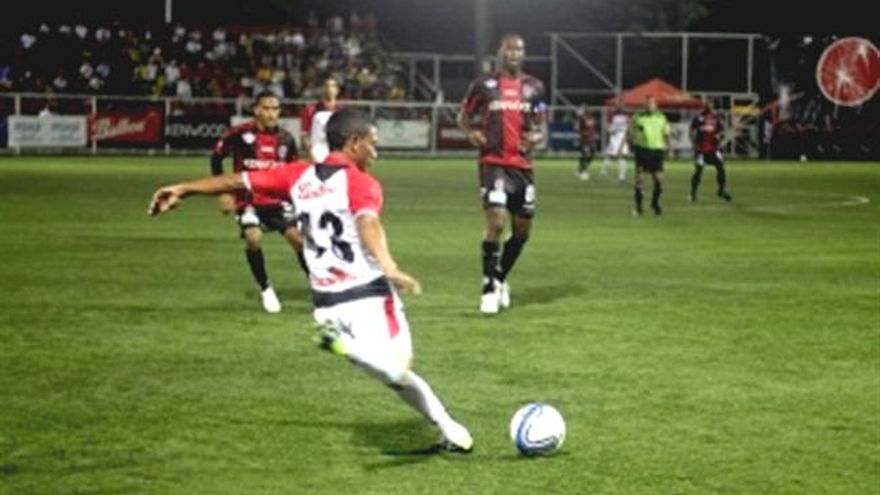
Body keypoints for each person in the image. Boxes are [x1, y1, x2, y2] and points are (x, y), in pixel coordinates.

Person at [148, 108, 474, 454]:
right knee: (397, 367)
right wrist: (389, 265)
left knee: (393, 376)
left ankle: (451, 430)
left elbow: (236, 181)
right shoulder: (361, 183)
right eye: (373, 144)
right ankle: (352, 349)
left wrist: (183, 189)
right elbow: (368, 223)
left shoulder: (296, 176)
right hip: (369, 295)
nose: (376, 154)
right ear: (354, 142)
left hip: (327, 304)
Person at [457, 33, 546, 315]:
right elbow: (463, 116)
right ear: (500, 52)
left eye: (519, 49)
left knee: (522, 232)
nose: (514, 54)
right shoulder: (483, 85)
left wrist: (536, 137)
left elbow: (540, 124)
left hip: (523, 167)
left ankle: (499, 277)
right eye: (509, 49)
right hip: (493, 163)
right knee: (496, 223)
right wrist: (471, 132)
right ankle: (487, 289)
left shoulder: (534, 87)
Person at [211, 90, 303, 313]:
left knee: (299, 241)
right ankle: (266, 288)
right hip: (248, 199)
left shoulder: (286, 138)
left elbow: (293, 170)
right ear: (256, 110)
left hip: (277, 200)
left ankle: (320, 288)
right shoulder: (238, 134)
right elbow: (217, 157)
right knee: (253, 238)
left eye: (275, 108)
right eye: (267, 108)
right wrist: (223, 191)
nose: (272, 113)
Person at [628, 95, 671, 216]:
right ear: (644, 105)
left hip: (657, 151)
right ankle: (639, 207)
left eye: (651, 103)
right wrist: (631, 141)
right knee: (639, 179)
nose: (649, 106)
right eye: (647, 103)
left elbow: (666, 133)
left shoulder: (661, 117)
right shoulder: (637, 117)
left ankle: (655, 203)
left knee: (659, 180)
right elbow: (630, 131)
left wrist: (669, 148)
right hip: (642, 150)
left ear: (656, 105)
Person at [689, 99, 732, 202]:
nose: (710, 106)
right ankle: (693, 192)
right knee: (699, 171)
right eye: (708, 104)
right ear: (705, 105)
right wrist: (694, 144)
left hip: (713, 149)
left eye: (711, 104)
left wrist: (719, 137)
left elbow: (721, 131)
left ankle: (721, 190)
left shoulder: (715, 118)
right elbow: (691, 131)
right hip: (701, 150)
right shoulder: (699, 117)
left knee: (721, 167)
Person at [300, 77, 342, 162]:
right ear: (322, 89)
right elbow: (304, 135)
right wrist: (311, 154)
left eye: (332, 86)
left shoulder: (341, 111)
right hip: (316, 154)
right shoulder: (310, 109)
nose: (329, 89)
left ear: (337, 90)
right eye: (326, 86)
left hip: (335, 155)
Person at [600, 104, 630, 181]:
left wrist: (607, 127)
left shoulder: (614, 118)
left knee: (609, 157)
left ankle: (604, 172)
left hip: (615, 140)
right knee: (623, 158)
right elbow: (627, 129)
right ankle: (621, 176)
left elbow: (610, 130)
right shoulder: (626, 118)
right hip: (622, 139)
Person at [576, 105, 599, 180]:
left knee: (593, 154)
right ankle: (583, 172)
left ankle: (583, 167)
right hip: (584, 140)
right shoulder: (582, 119)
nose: (589, 111)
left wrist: (595, 134)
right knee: (585, 154)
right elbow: (579, 129)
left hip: (591, 139)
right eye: (587, 110)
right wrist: (583, 133)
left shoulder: (593, 119)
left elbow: (593, 128)